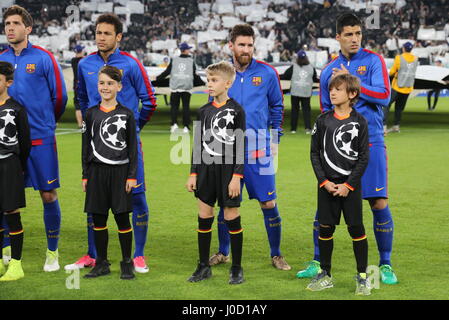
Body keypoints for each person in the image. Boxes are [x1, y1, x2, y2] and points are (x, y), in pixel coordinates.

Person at [297, 13, 398, 285]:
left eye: (358, 34)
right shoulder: (330, 68)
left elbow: (384, 96)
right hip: (336, 146)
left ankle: (385, 264)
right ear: (338, 37)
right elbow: (326, 107)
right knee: (326, 200)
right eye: (349, 34)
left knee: (378, 201)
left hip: (371, 140)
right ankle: (319, 262)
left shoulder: (374, 60)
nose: (355, 39)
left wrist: (351, 81)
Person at [67, 13, 157, 273]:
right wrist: (88, 129)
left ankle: (137, 256)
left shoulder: (131, 64)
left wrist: (134, 128)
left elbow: (149, 99)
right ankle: (93, 255)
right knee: (94, 201)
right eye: (98, 33)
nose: (101, 37)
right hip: (97, 149)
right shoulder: (84, 64)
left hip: (126, 148)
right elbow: (82, 101)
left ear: (118, 37)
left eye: (107, 33)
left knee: (137, 197)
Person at [209, 24, 291, 271]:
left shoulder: (267, 73)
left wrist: (275, 139)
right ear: (231, 46)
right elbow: (212, 111)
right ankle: (224, 252)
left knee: (268, 203)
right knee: (227, 204)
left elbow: (277, 106)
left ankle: (276, 254)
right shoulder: (221, 74)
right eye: (241, 45)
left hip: (259, 151)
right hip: (227, 152)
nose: (246, 49)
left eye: (249, 45)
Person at [0, 5, 67, 272]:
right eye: (6, 24)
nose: (10, 28)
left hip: (40, 139)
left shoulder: (43, 58)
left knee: (48, 194)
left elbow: (60, 96)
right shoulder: (1, 59)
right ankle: (6, 248)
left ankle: (53, 253)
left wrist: (46, 123)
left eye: (15, 23)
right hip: (8, 143)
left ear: (28, 29)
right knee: (4, 199)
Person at [307, 74, 370, 295]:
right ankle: (325, 274)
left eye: (338, 89)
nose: (332, 92)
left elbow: (364, 158)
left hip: (349, 187)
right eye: (331, 89)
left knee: (356, 229)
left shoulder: (360, 122)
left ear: (352, 94)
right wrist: (324, 182)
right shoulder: (322, 120)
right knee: (325, 228)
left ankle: (362, 277)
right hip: (327, 187)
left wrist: (348, 185)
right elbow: (314, 154)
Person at [186, 61, 246, 285]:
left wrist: (236, 177)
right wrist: (193, 173)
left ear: (227, 83)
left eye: (214, 80)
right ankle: (203, 266)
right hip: (205, 170)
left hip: (228, 171)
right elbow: (197, 145)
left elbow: (240, 145)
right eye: (208, 80)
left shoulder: (237, 110)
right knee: (204, 216)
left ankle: (237, 268)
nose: (209, 84)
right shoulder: (204, 110)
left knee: (231, 216)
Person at [82, 66, 137, 280]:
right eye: (102, 83)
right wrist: (85, 174)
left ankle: (126, 262)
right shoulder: (90, 114)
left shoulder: (126, 114)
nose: (105, 87)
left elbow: (132, 149)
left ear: (119, 87)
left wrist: (132, 176)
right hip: (96, 172)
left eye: (110, 84)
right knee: (98, 218)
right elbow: (85, 147)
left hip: (120, 173)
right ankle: (101, 262)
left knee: (122, 218)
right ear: (98, 86)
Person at [0, 61, 31, 281]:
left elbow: (25, 143)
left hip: (9, 165)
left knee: (11, 213)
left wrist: (16, 165)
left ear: (8, 82)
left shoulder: (17, 108)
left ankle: (17, 265)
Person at [156, 42, 203, 133]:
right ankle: (186, 126)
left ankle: (174, 125)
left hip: (175, 87)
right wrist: (202, 82)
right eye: (188, 49)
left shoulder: (174, 60)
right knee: (186, 107)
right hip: (186, 87)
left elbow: (167, 72)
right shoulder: (191, 60)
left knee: (174, 108)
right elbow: (194, 74)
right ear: (185, 50)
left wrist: (157, 78)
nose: (189, 50)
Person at [280, 50, 318, 134]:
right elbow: (315, 78)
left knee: (295, 110)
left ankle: (293, 129)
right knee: (306, 111)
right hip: (306, 92)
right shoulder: (311, 67)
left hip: (295, 92)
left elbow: (286, 75)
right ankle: (308, 128)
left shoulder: (294, 67)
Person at [383, 41, 418, 133]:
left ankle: (383, 126)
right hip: (408, 88)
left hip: (397, 87)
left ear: (403, 48)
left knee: (386, 104)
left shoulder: (399, 58)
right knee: (399, 108)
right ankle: (396, 126)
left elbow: (392, 71)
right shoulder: (415, 59)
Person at [71, 44, 85, 128]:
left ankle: (80, 124)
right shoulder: (84, 60)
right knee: (85, 103)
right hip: (83, 84)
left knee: (77, 105)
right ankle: (85, 122)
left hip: (76, 84)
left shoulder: (73, 60)